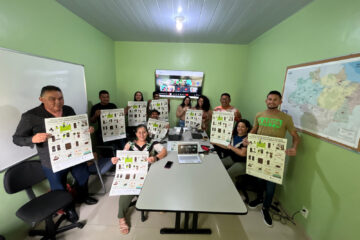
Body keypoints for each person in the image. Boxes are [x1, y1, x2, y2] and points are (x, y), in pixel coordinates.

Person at [13, 86, 98, 221]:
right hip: (52, 160)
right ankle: (68, 210)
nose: (58, 102)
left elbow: (76, 128)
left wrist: (86, 130)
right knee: (59, 187)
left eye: (60, 98)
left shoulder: (69, 110)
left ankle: (83, 197)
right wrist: (32, 139)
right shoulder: (30, 116)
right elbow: (16, 139)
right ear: (41, 99)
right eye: (52, 99)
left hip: (75, 154)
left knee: (83, 176)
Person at [246, 90, 300, 227]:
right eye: (269, 99)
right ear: (266, 101)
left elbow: (295, 136)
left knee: (271, 185)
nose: (272, 102)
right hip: (259, 153)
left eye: (275, 100)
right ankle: (259, 198)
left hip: (276, 156)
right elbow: (254, 129)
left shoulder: (286, 118)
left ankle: (266, 207)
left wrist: (294, 147)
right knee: (259, 179)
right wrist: (248, 137)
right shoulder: (259, 115)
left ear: (280, 102)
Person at [111, 125, 167, 234]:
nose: (142, 135)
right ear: (136, 134)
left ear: (147, 133)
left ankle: (155, 201)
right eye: (139, 132)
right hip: (133, 174)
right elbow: (122, 156)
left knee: (156, 186)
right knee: (126, 192)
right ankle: (121, 217)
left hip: (149, 173)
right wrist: (116, 159)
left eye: (144, 132)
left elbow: (164, 151)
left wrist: (155, 158)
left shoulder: (153, 143)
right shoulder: (130, 144)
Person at [213, 119, 251, 183]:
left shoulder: (247, 139)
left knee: (228, 174)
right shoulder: (234, 136)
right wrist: (215, 142)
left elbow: (243, 153)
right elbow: (226, 146)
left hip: (243, 162)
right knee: (216, 165)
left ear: (247, 128)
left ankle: (231, 190)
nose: (240, 128)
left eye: (242, 127)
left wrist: (231, 147)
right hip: (232, 158)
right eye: (238, 126)